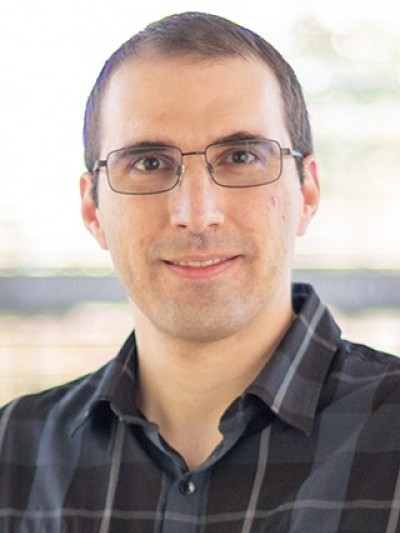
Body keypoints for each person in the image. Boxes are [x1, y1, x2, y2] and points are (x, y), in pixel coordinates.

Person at [1, 11, 399, 533]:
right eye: (149, 163)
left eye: (241, 156)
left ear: (306, 192)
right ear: (93, 210)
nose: (196, 213)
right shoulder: (12, 455)